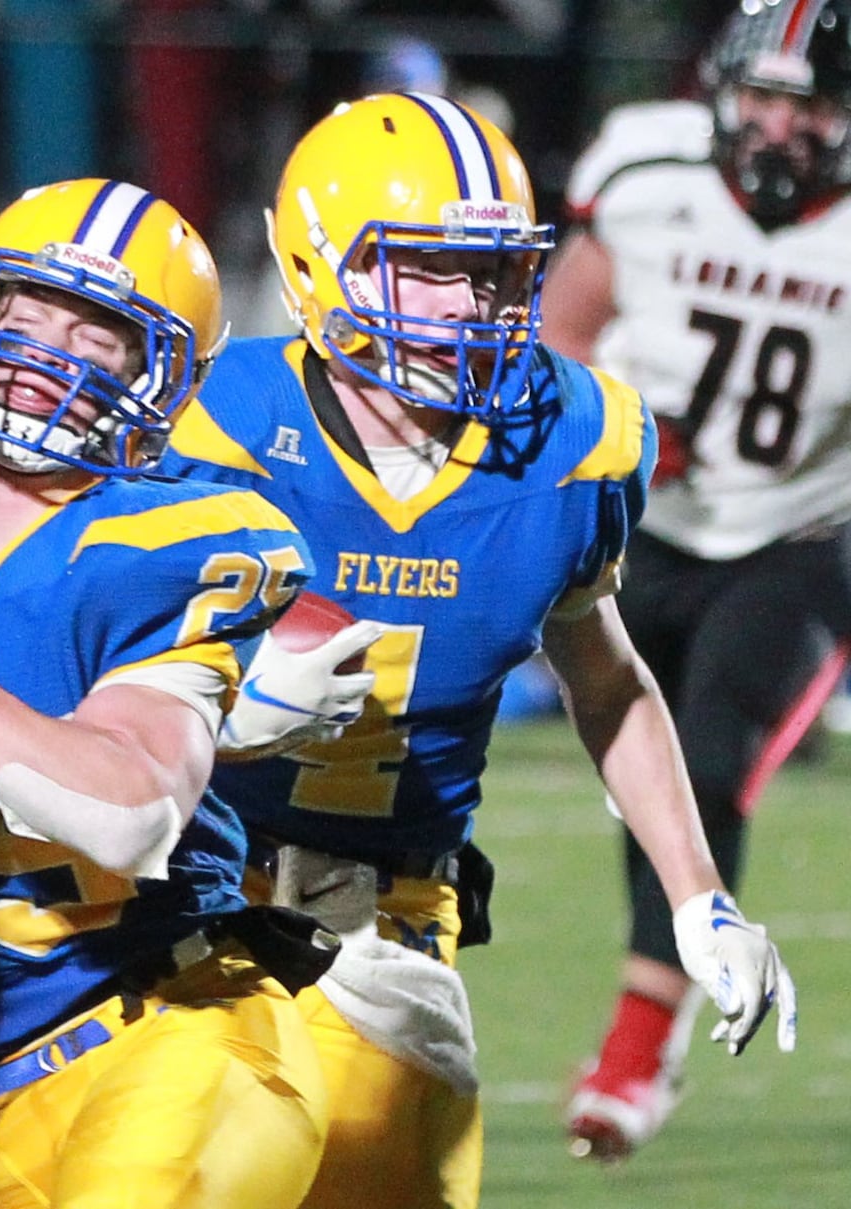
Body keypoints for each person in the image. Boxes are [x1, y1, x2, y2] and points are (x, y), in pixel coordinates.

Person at [157, 91, 797, 1209]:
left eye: (495, 272)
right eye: (430, 269)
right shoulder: (204, 419)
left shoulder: (574, 441)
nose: (472, 306)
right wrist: (210, 712)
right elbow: (52, 643)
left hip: (389, 915)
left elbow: (605, 677)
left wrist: (699, 901)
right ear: (320, 261)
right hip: (170, 889)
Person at [0, 177, 375, 1209]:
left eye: (96, 331)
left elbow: (129, 818)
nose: (40, 349)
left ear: (162, 374)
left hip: (178, 1038)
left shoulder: (163, 536)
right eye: (24, 308)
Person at [542, 0, 851, 1162]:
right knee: (647, 777)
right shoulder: (647, 169)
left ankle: (638, 1047)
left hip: (795, 538)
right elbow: (556, 348)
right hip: (636, 528)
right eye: (762, 100)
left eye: (809, 105)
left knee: (711, 756)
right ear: (721, 95)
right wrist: (601, 435)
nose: (778, 128)